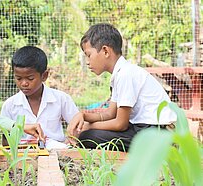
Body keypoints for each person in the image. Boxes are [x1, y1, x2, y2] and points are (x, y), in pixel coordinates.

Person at [67, 23, 176, 152]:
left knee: (87, 137)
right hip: (143, 129)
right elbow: (110, 114)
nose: (87, 61)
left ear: (105, 51)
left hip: (157, 132)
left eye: (88, 54)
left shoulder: (126, 74)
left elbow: (120, 124)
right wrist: (84, 116)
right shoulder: (119, 74)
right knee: (88, 134)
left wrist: (89, 127)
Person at [1, 46, 79, 150]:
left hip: (56, 153)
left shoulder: (61, 99)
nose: (24, 83)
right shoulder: (10, 105)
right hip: (24, 156)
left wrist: (70, 140)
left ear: (44, 75)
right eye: (18, 78)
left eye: (30, 78)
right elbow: (6, 141)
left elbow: (77, 125)